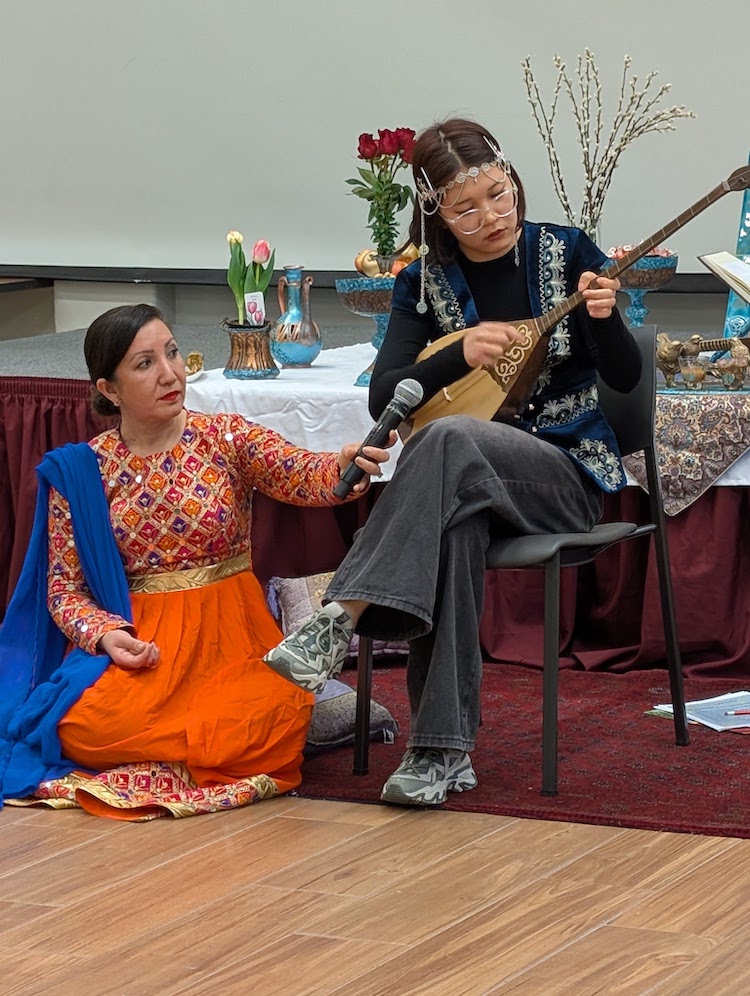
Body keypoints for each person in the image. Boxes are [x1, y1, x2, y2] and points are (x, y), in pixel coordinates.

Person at [263, 117, 641, 807]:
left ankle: (337, 617)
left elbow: (622, 374)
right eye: (467, 208)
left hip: (562, 477)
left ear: (511, 180)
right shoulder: (423, 283)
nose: (492, 216)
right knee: (452, 522)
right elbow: (383, 390)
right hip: (468, 485)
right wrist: (453, 354)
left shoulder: (565, 250)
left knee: (441, 443)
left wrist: (607, 316)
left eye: (500, 195)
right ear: (436, 210)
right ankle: (439, 753)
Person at [0, 303, 391, 816]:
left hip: (231, 636)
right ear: (109, 390)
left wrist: (341, 465)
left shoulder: (224, 437)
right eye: (144, 364)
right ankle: (188, 753)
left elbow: (303, 472)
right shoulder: (84, 470)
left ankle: (195, 748)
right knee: (81, 725)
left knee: (256, 723)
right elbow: (64, 590)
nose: (170, 373)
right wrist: (106, 636)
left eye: (172, 353)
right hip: (145, 646)